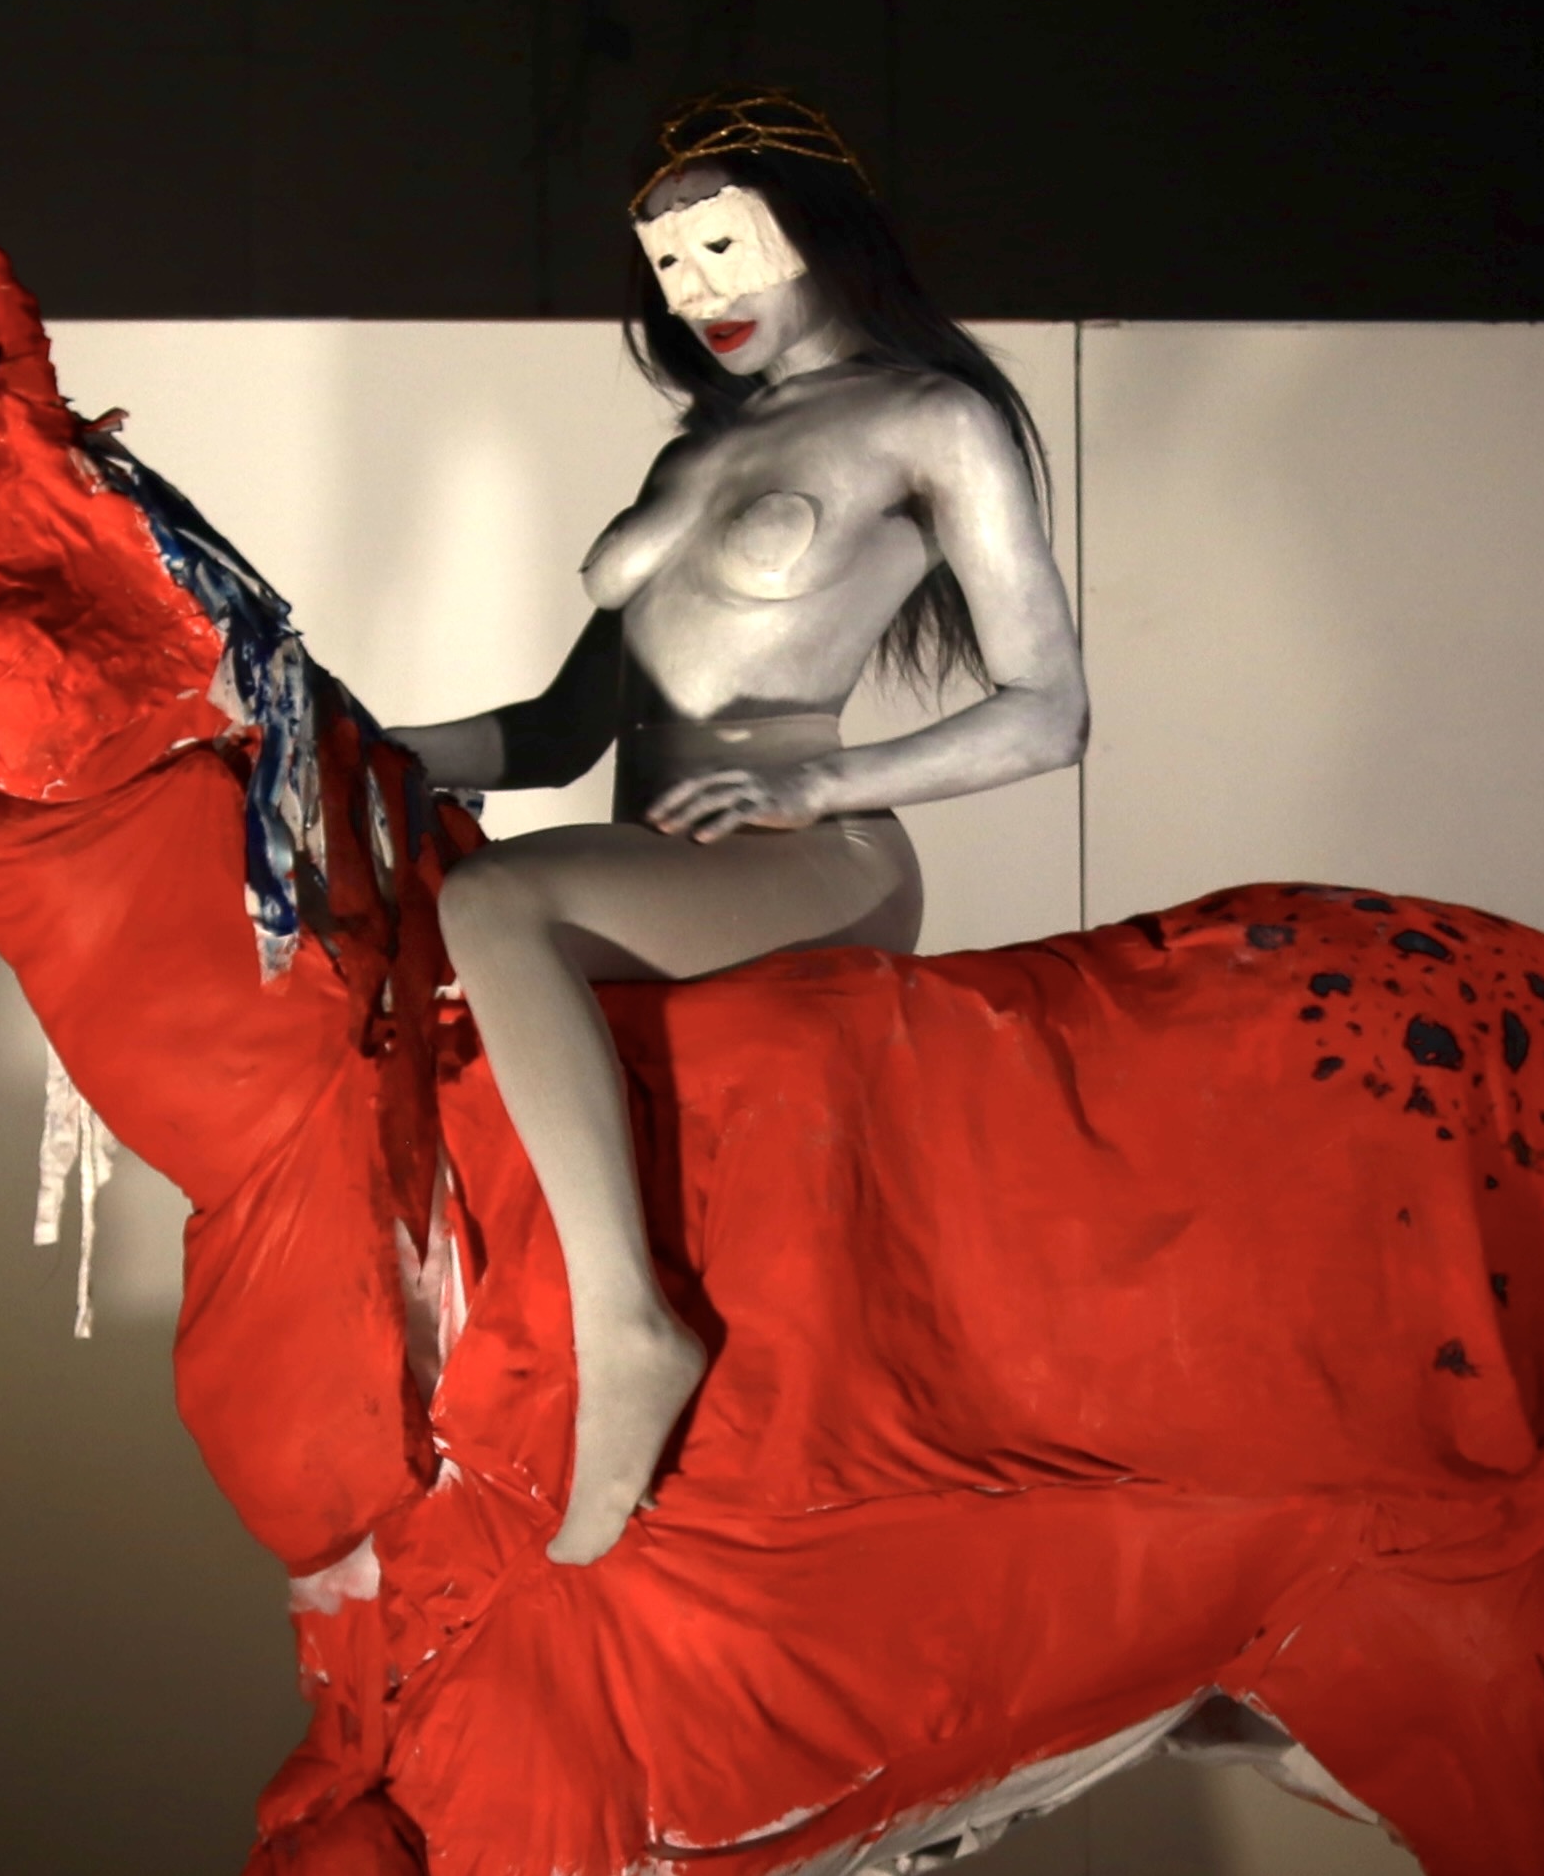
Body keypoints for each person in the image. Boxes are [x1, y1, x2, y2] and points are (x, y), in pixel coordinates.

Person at [389, 91, 1089, 1563]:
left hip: (804, 855)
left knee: (498, 905)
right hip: (658, 847)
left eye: (725, 245)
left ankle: (630, 1328)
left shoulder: (930, 418)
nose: (697, 292)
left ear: (820, 232)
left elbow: (1051, 710)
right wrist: (343, 740)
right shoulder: (694, 449)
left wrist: (816, 786)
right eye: (668, 268)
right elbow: (558, 733)